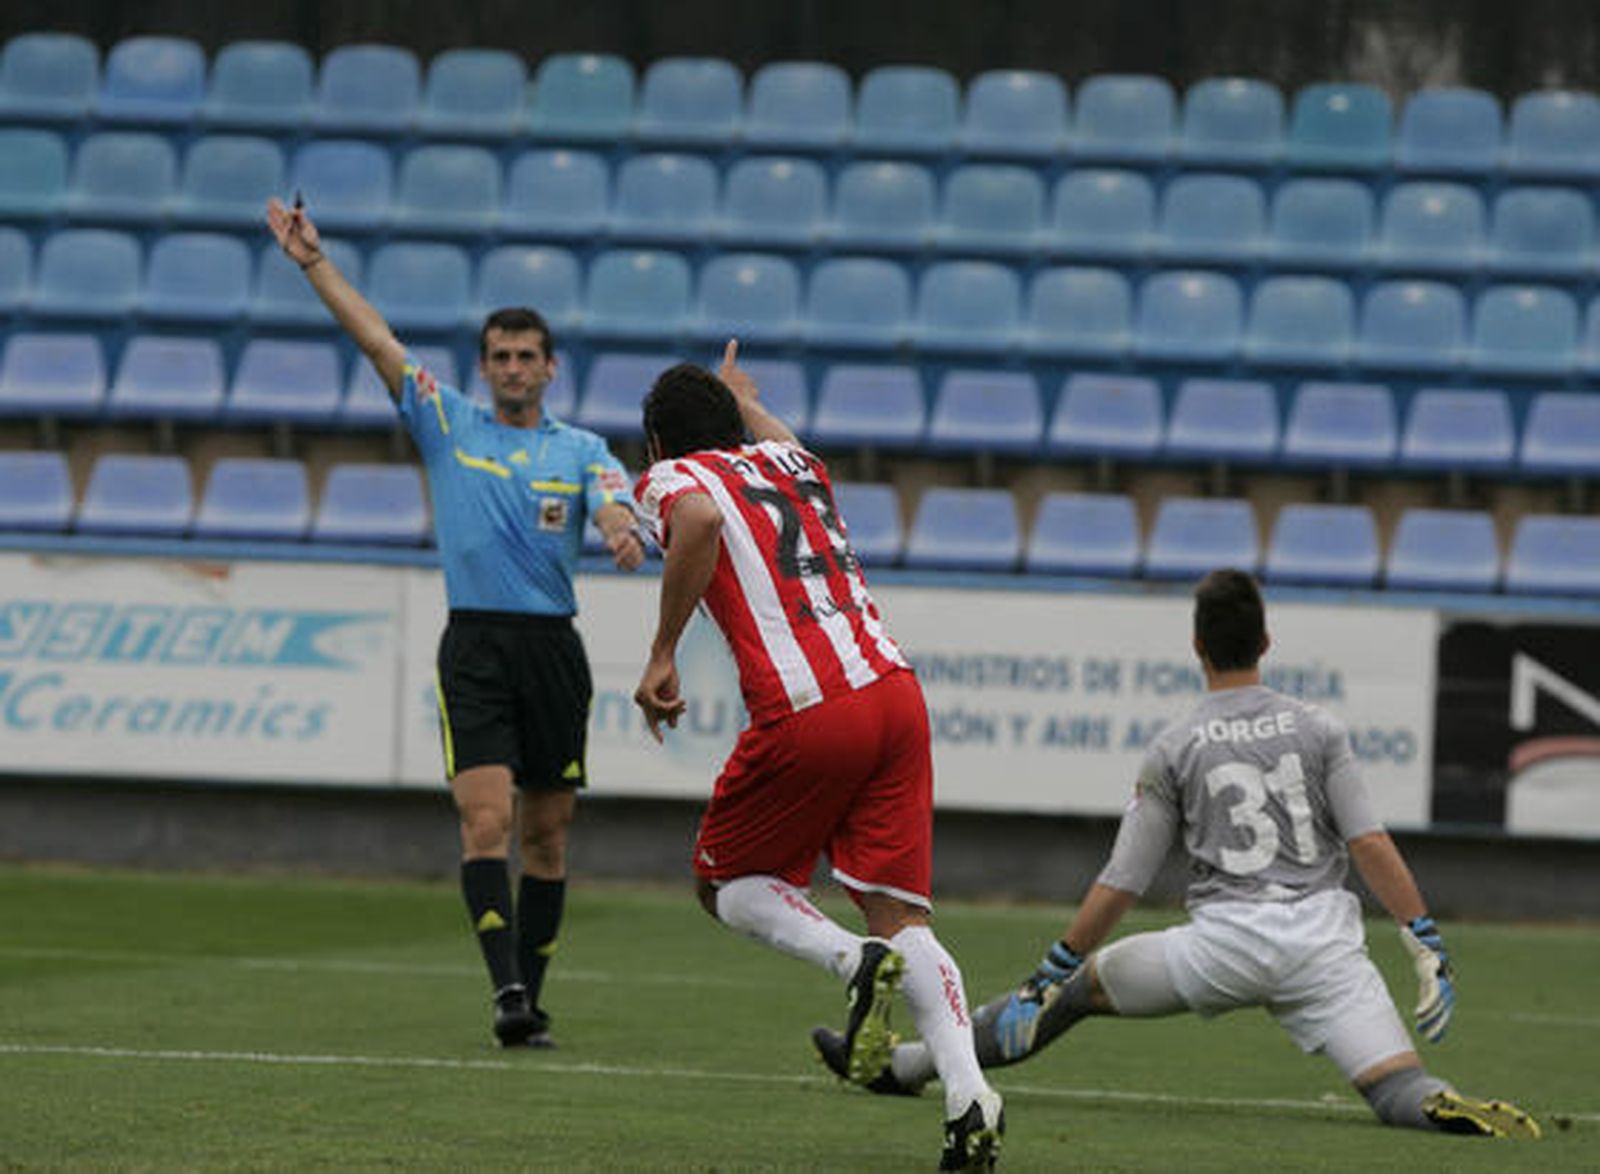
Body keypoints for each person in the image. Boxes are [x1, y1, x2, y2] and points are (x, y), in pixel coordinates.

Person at [816, 568, 1541, 1141]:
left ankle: (902, 1066)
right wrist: (1423, 937)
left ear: (1198, 648)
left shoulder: (1177, 745)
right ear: (1266, 642)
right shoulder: (1319, 728)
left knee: (1073, 998)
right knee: (1396, 1087)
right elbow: (1368, 842)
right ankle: (1442, 1104)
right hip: (1324, 946)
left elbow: (1122, 881)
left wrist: (1051, 970)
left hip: (1221, 947)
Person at [265, 196, 646, 1048]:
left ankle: (532, 998)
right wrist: (313, 264)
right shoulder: (447, 423)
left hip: (553, 648)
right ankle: (506, 988)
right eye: (500, 357)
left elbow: (614, 501)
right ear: (484, 369)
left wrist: (620, 527)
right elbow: (375, 341)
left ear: (552, 368)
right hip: (473, 642)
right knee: (486, 822)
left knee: (548, 833)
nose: (513, 368)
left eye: (526, 356)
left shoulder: (581, 449)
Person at [630, 343, 1005, 1171]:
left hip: (808, 707)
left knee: (724, 884)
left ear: (656, 446)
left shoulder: (670, 480)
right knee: (904, 918)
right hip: (895, 693)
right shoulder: (793, 462)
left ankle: (848, 960)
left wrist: (662, 651)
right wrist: (742, 400)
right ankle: (970, 1098)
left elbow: (695, 519)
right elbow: (773, 434)